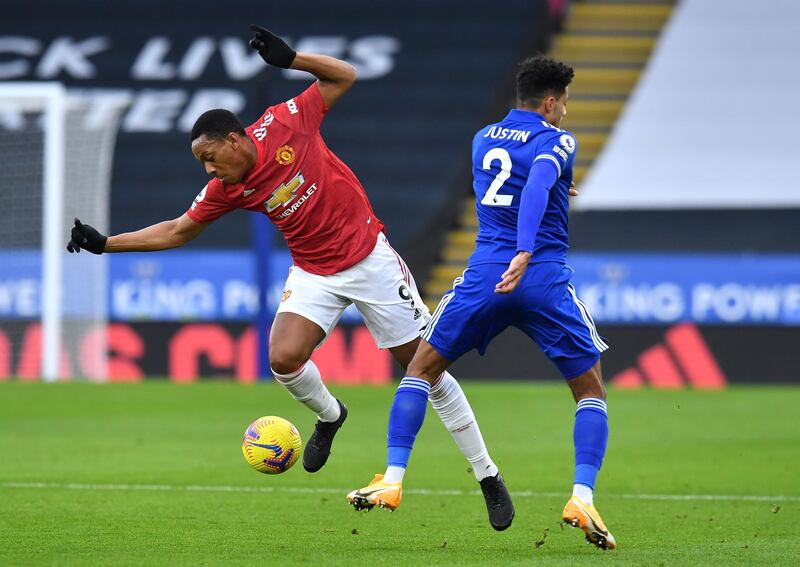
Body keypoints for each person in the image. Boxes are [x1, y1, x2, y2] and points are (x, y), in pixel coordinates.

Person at [66, 25, 514, 530]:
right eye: (202, 164)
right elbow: (175, 230)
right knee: (282, 357)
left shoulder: (286, 123)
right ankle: (330, 416)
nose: (209, 171)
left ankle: (487, 476)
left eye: (210, 157)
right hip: (314, 271)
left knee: (426, 371)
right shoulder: (228, 189)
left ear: (235, 139)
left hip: (370, 259)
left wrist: (293, 59)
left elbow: (345, 77)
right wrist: (106, 244)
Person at [347, 55, 616, 550]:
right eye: (564, 105)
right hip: (541, 277)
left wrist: (555, 189)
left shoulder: (483, 137)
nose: (564, 114)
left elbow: (516, 184)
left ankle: (391, 477)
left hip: (483, 278)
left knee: (420, 371)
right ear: (551, 102)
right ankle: (582, 497)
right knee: (590, 391)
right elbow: (536, 184)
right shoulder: (557, 139)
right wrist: (527, 250)